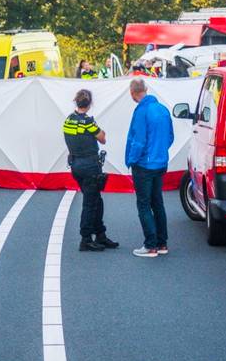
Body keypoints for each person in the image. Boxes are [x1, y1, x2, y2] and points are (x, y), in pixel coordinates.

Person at [63, 89, 119, 252]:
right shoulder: (87, 122)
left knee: (95, 200)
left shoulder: (68, 120)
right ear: (90, 103)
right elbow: (102, 138)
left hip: (76, 165)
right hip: (90, 166)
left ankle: (100, 234)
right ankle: (86, 238)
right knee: (90, 203)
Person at [125, 77, 174, 257]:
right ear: (145, 89)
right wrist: (160, 152)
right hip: (160, 162)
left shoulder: (141, 112)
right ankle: (162, 243)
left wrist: (131, 160)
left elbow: (138, 141)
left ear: (132, 93)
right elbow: (170, 136)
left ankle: (150, 245)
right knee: (157, 202)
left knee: (144, 204)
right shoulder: (162, 109)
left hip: (144, 164)